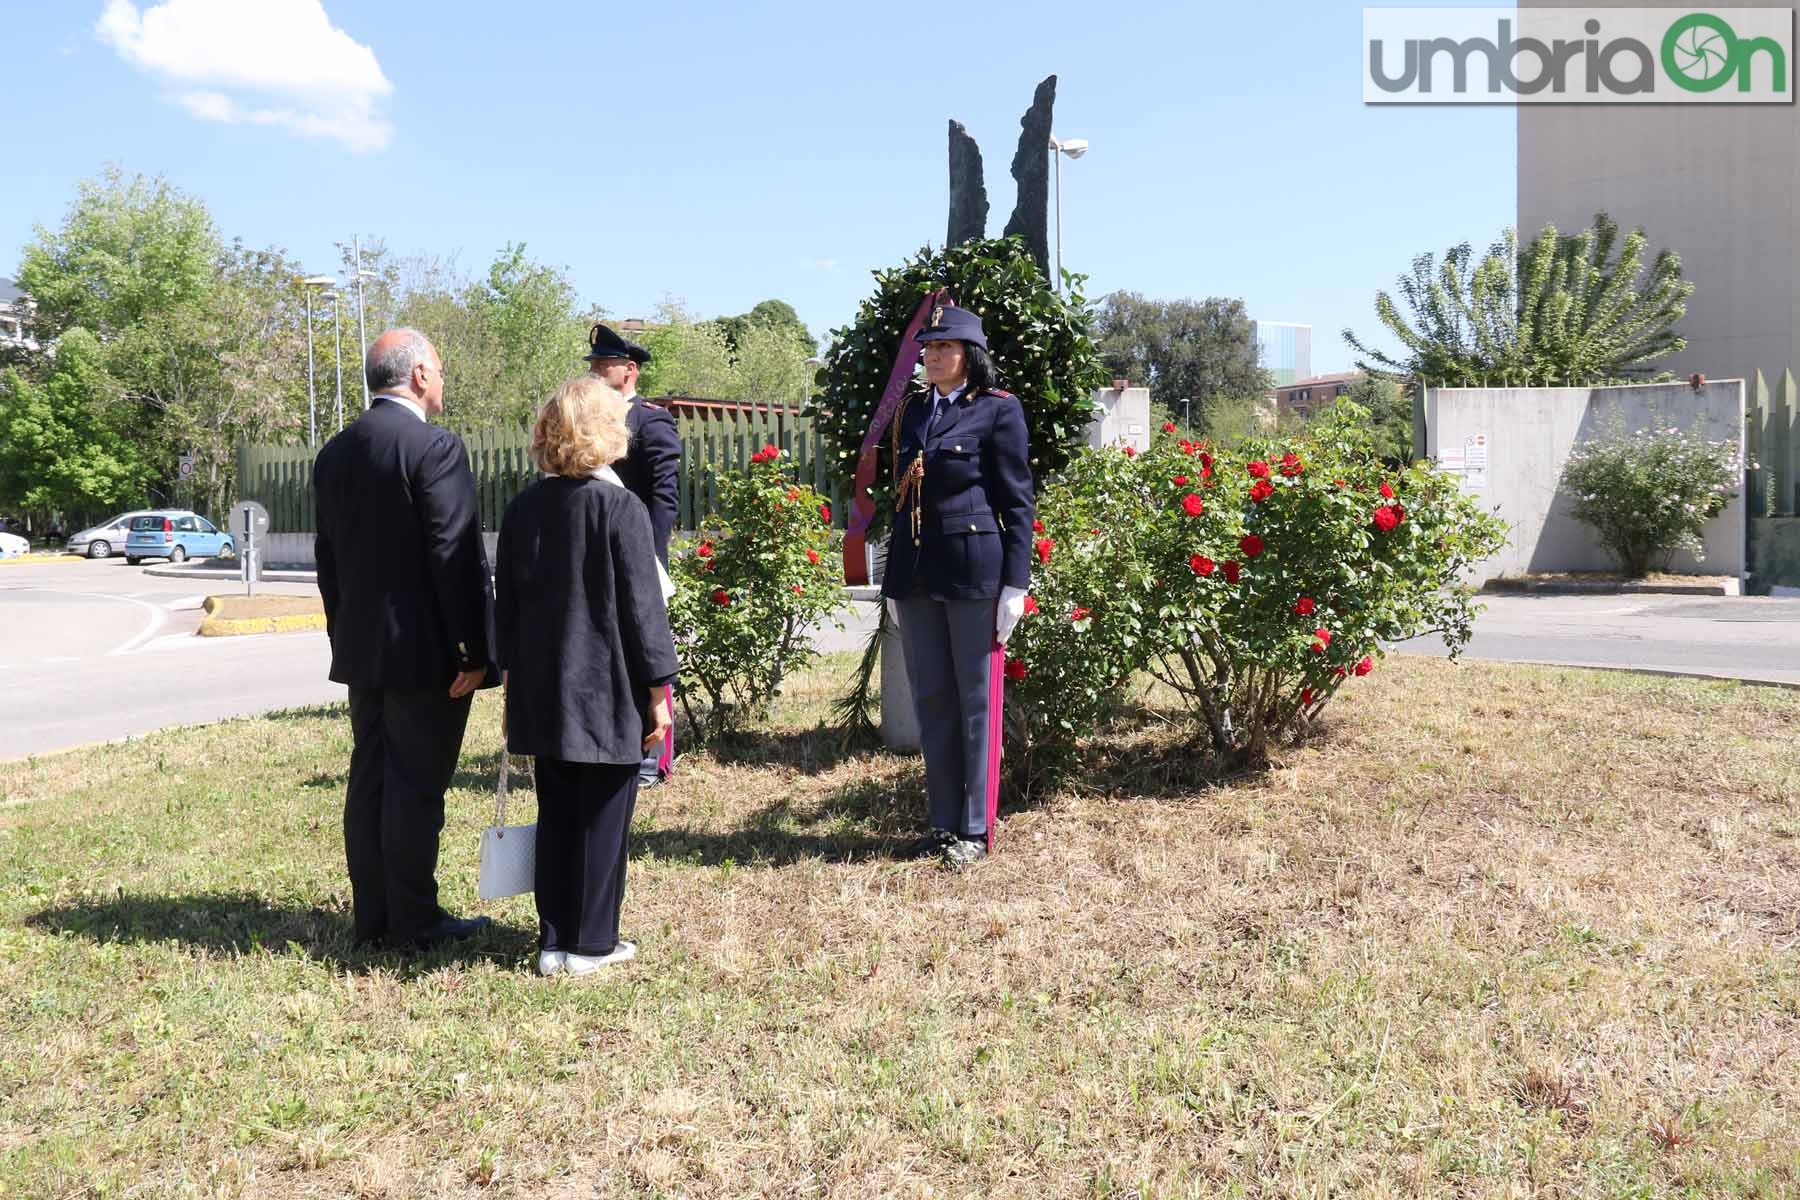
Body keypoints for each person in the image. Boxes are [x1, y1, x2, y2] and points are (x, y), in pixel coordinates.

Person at [313, 328, 496, 951]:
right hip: (428, 660)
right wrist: (473, 651)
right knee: (416, 788)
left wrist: (345, 633)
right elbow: (455, 557)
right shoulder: (435, 448)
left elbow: (327, 561)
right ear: (419, 374)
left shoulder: (336, 451)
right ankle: (415, 922)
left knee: (371, 781)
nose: (442, 382)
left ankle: (375, 919)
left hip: (364, 654)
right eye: (439, 371)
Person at [496, 376, 677, 977]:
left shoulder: (522, 508)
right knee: (603, 820)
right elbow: (643, 611)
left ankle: (553, 940)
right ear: (604, 433)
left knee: (557, 814)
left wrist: (511, 684)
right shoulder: (621, 507)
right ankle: (593, 943)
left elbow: (508, 609)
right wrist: (659, 695)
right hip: (607, 690)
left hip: (544, 688)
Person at [880, 303, 1034, 867]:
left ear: (971, 355)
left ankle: (974, 827)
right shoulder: (913, 412)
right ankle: (942, 821)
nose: (934, 356)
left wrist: (1015, 584)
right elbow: (899, 502)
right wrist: (892, 582)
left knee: (975, 702)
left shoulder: (997, 410)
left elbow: (1016, 501)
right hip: (917, 573)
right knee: (932, 699)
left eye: (945, 348)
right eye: (929, 348)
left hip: (974, 573)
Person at [584, 323, 680, 788]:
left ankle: (653, 756)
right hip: (597, 555)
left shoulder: (650, 420)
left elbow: (664, 497)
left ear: (631, 370)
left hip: (638, 552)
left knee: (647, 648)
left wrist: (653, 556)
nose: (599, 372)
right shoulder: (589, 419)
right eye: (595, 365)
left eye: (607, 365)